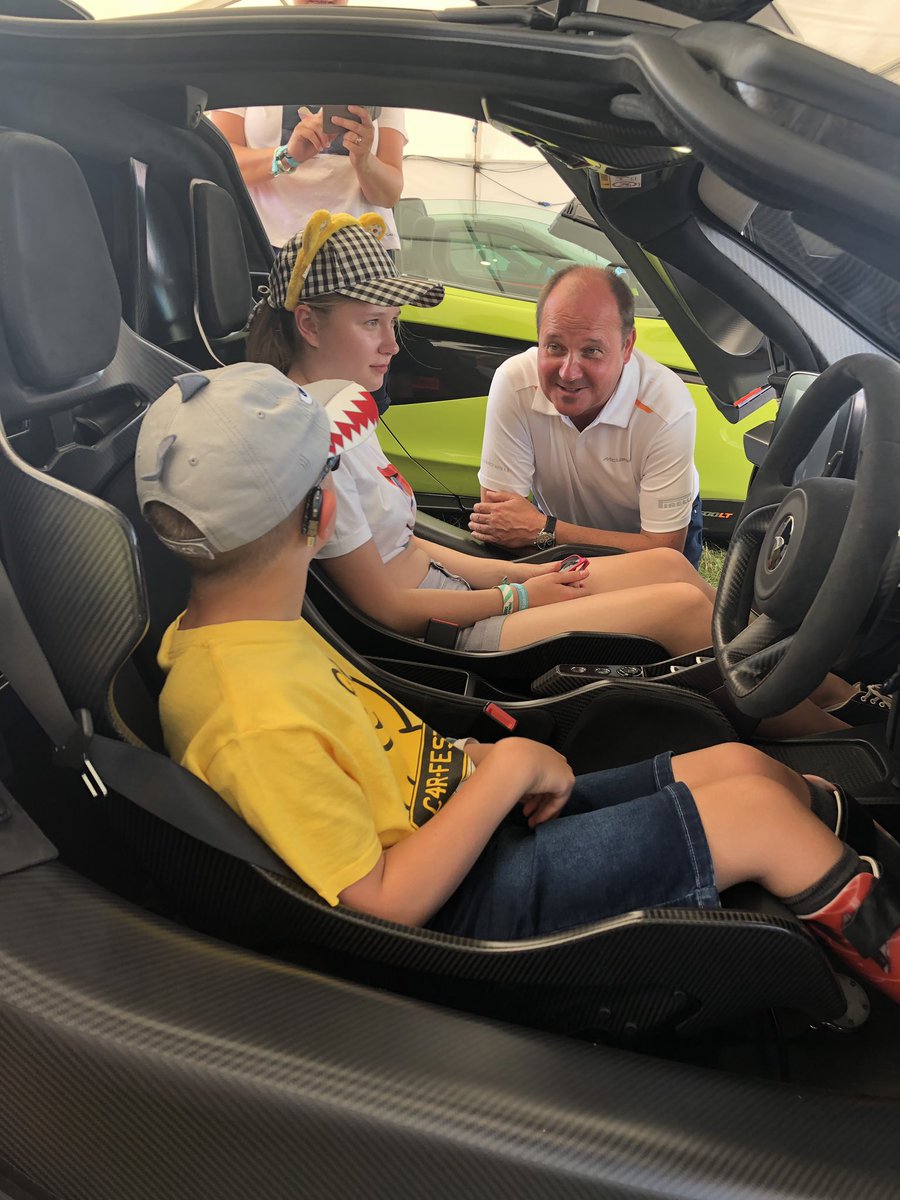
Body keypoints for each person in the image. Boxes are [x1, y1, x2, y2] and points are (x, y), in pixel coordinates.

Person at [136, 361, 900, 1004]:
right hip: (471, 908)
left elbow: (362, 752)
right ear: (324, 509)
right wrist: (505, 771)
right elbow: (384, 906)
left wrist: (468, 761)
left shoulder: (252, 632)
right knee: (758, 817)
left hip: (467, 826)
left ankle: (878, 875)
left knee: (744, 768)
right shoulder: (248, 714)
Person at [245, 209, 863, 736]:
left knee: (672, 568)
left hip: (461, 595)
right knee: (680, 610)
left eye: (391, 323)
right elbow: (386, 608)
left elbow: (413, 548)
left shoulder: (339, 414)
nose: (393, 344)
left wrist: (528, 572)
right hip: (448, 635)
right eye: (371, 323)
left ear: (626, 347)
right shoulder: (316, 445)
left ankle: (834, 692)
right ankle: (833, 742)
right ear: (309, 323)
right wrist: (517, 593)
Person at [469, 265, 704, 568]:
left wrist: (545, 530)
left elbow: (663, 553)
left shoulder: (667, 407)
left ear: (627, 346)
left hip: (634, 531)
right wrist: (542, 533)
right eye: (555, 347)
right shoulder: (515, 383)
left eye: (591, 351)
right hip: (552, 521)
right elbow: (499, 524)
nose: (568, 373)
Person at [208, 1, 405, 252]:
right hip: (265, 243)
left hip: (360, 250)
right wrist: (286, 156)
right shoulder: (250, 59)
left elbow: (390, 195)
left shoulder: (378, 68)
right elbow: (221, 164)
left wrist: (364, 160)